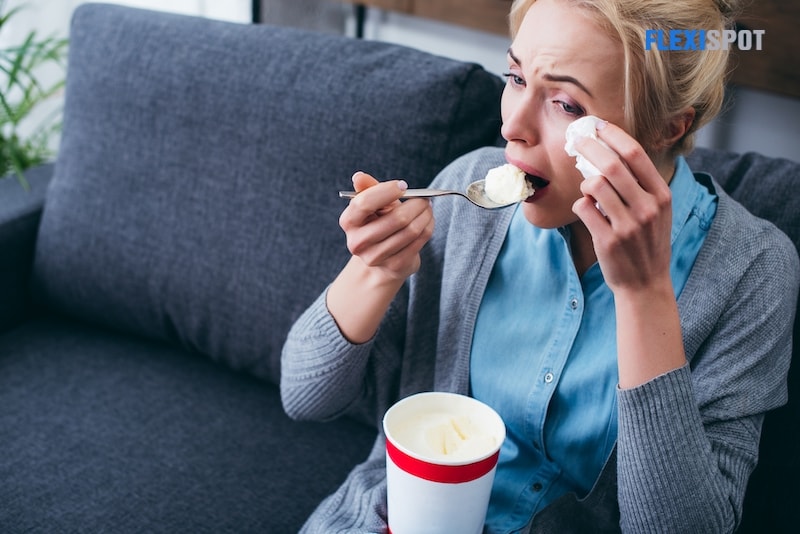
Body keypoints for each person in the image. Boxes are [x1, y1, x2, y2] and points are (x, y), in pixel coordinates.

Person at [280, 0, 800, 531]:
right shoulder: (469, 201)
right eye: (515, 77)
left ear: (668, 127)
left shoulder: (752, 271)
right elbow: (304, 396)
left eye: (566, 104)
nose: (513, 127)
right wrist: (375, 269)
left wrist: (644, 294)